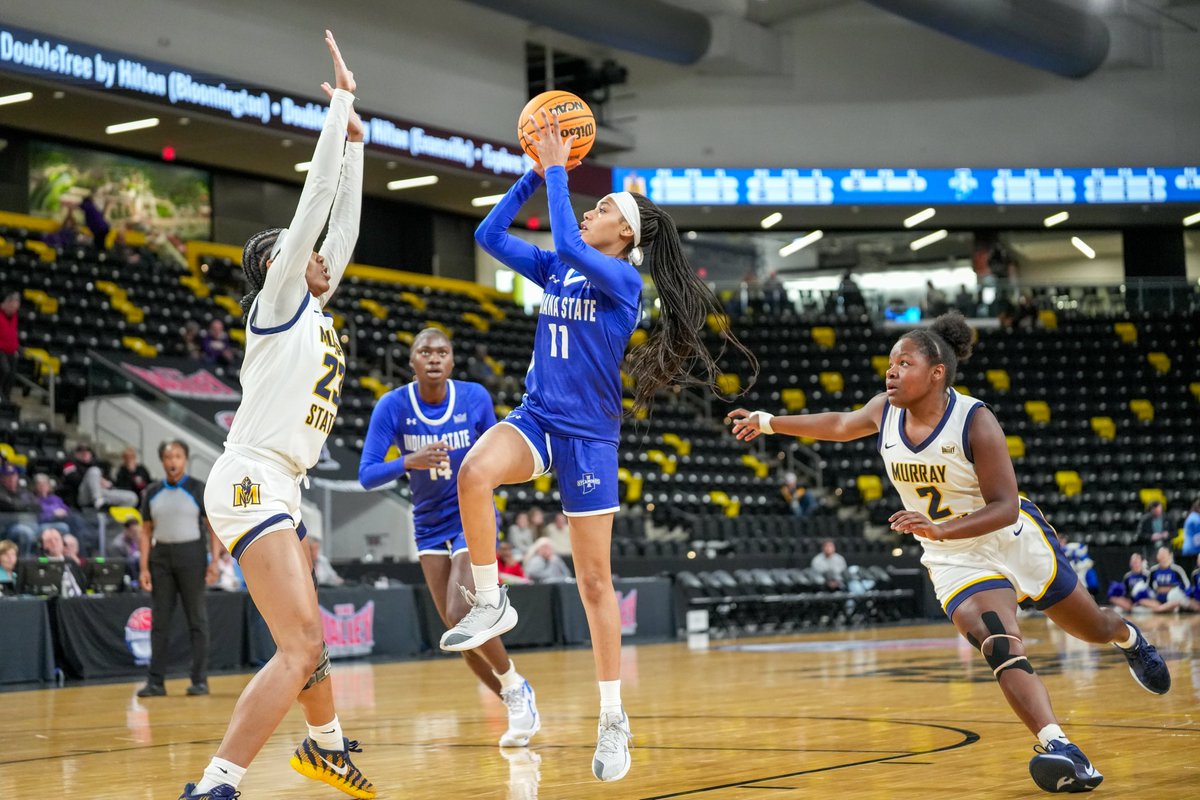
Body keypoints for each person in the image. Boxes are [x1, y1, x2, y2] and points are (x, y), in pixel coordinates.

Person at [726, 310, 1170, 794]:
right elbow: (839, 423)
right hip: (954, 557)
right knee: (997, 640)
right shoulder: (884, 410)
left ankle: (1128, 637)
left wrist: (939, 529)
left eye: (904, 363)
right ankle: (1059, 746)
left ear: (937, 372)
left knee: (1093, 627)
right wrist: (769, 423)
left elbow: (1003, 508)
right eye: (890, 363)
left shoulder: (976, 421)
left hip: (1009, 539)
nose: (891, 371)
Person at [445, 108, 757, 783]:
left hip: (589, 437)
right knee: (473, 471)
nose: (588, 212)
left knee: (594, 582)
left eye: (603, 206)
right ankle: (492, 599)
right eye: (589, 203)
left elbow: (564, 232)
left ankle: (613, 718)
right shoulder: (559, 268)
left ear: (627, 231)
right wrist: (534, 176)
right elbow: (488, 233)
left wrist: (560, 170)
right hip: (537, 417)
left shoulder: (623, 282)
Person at [179, 32, 371, 800]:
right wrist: (341, 111)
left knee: (313, 641)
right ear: (279, 263)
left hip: (281, 483)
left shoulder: (318, 309)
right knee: (297, 650)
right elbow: (317, 203)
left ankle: (325, 747)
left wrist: (358, 141)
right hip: (253, 476)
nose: (325, 253)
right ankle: (215, 785)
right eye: (304, 250)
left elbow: (344, 222)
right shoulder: (282, 297)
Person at [358, 327, 539, 748]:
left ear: (453, 360)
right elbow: (367, 474)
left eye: (442, 351)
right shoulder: (393, 405)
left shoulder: (474, 397)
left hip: (468, 518)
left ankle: (515, 688)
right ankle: (517, 701)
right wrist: (409, 460)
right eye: (425, 351)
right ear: (412, 360)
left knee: (461, 613)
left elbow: (499, 457)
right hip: (427, 524)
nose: (434, 357)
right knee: (458, 637)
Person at [136, 440, 219, 699]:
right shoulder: (152, 491)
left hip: (191, 556)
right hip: (160, 558)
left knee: (197, 619)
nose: (173, 461)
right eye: (168, 457)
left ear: (185, 460)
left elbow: (212, 528)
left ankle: (199, 680)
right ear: (162, 461)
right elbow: (146, 531)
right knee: (159, 622)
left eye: (178, 456)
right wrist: (143, 568)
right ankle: (155, 682)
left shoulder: (197, 489)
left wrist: (214, 561)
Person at [0, 463, 40, 553]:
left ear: (17, 476)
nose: (11, 479)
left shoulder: (23, 490)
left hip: (31, 524)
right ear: (2, 479)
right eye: (7, 476)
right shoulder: (1, 491)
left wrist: (22, 506)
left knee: (61, 527)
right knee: (25, 533)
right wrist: (26, 506)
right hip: (8, 527)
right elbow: (11, 506)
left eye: (13, 476)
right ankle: (24, 564)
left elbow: (37, 506)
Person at [38, 527, 85, 597]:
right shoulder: (39, 565)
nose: (54, 543)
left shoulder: (71, 562)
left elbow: (84, 585)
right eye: (49, 541)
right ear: (42, 546)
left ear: (63, 543)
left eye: (56, 539)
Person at [1147, 546, 1196, 613]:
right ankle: (1163, 608)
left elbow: (1187, 587)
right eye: (1160, 554)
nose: (1162, 557)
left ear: (1170, 555)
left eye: (1164, 554)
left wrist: (1171, 589)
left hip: (1174, 600)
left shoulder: (1177, 570)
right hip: (1158, 601)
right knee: (1141, 602)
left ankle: (1164, 608)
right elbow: (1148, 588)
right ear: (1157, 556)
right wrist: (1156, 591)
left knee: (1176, 597)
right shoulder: (1153, 571)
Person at [0, 291, 20, 406]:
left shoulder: (14, 316)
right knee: (4, 370)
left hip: (11, 350)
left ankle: (6, 399)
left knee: (12, 375)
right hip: (1, 350)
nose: (14, 308)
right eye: (12, 305)